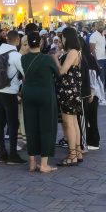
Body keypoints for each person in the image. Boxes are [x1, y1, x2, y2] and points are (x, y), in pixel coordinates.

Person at [20, 31, 59, 173]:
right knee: (47, 127)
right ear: (41, 43)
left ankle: (32, 162)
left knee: (30, 126)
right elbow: (58, 73)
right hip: (45, 94)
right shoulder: (47, 59)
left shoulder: (23, 59)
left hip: (28, 94)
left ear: (28, 43)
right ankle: (44, 164)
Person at [0, 30, 26, 164]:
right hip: (10, 93)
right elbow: (25, 73)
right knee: (13, 123)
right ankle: (13, 154)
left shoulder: (0, 51)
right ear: (17, 40)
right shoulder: (16, 56)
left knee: (0, 123)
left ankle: (2, 153)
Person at [57, 27, 85, 166]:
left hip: (68, 91)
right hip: (71, 90)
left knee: (69, 123)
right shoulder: (73, 51)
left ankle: (72, 154)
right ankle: (78, 152)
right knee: (73, 123)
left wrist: (55, 59)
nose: (61, 39)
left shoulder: (73, 52)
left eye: (62, 36)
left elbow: (62, 71)